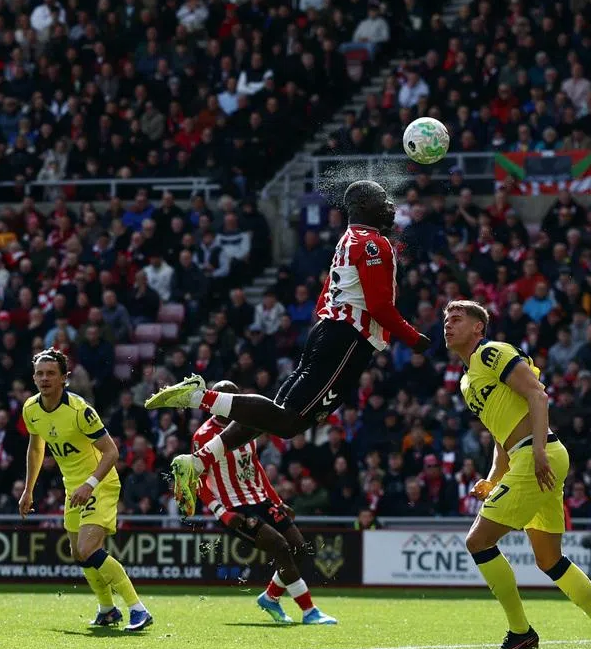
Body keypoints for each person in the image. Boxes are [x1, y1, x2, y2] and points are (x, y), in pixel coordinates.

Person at [146, 181, 430, 514]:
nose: (389, 205)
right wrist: (415, 338)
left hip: (330, 332)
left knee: (274, 414)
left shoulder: (348, 239)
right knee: (289, 422)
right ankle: (198, 396)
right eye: (382, 199)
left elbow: (326, 293)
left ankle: (196, 463)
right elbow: (379, 306)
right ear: (365, 204)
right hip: (348, 339)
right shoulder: (373, 244)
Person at [443, 300, 591, 649]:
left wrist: (539, 450)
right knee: (550, 560)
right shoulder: (467, 382)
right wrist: (493, 477)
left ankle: (520, 633)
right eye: (445, 319)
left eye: (457, 318)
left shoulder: (492, 353)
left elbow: (537, 394)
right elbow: (501, 435)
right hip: (531, 456)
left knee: (478, 541)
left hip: (537, 455)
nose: (447, 324)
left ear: (478, 328)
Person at [18, 349, 152, 631]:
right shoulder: (31, 408)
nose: (45, 378)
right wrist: (28, 489)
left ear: (65, 378)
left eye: (51, 373)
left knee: (87, 547)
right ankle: (107, 610)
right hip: (72, 487)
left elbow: (112, 452)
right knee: (79, 554)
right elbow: (36, 447)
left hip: (99, 483)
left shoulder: (80, 410)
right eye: (40, 373)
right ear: (33, 377)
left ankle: (138, 609)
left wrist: (90, 484)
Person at [193, 381, 336, 625]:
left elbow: (255, 465)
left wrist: (277, 500)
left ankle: (271, 597)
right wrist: (221, 513)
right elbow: (197, 480)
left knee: (299, 549)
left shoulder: (249, 423)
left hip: (260, 499)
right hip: (235, 508)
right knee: (280, 547)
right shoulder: (203, 436)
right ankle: (309, 610)